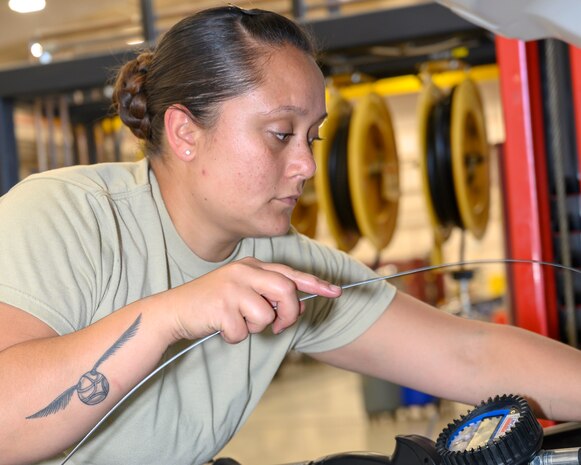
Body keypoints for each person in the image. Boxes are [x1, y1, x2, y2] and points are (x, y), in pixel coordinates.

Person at [1, 5, 581, 465]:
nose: (305, 166)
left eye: (314, 137)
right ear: (183, 131)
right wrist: (170, 315)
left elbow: (469, 354)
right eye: (281, 134)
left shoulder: (279, 262)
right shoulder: (68, 215)